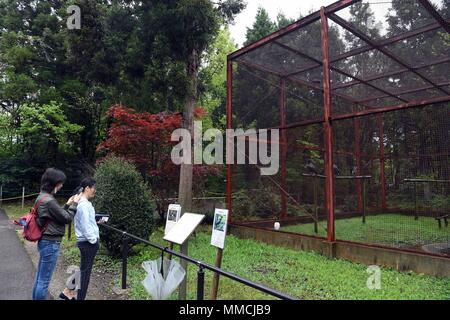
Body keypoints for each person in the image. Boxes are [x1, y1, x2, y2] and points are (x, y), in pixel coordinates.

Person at [32, 168, 80, 300]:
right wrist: (75, 203)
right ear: (53, 183)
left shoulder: (42, 197)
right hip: (51, 243)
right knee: (44, 281)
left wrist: (67, 204)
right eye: (60, 183)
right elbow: (67, 218)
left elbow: (56, 215)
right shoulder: (50, 201)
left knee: (39, 278)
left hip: (44, 241)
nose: (61, 185)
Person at [73, 177, 102, 300]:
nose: (95, 190)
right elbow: (85, 225)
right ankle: (79, 297)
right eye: (93, 188)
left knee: (82, 270)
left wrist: (96, 222)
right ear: (87, 188)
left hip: (85, 242)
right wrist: (93, 240)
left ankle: (68, 293)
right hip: (87, 243)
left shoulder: (84, 203)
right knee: (85, 274)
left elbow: (87, 222)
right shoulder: (83, 204)